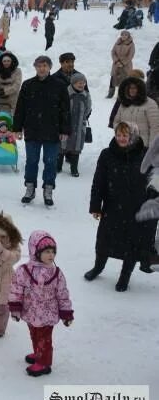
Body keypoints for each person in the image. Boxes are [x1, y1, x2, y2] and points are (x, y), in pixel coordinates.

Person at [87, 120, 150, 291]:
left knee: (131, 244)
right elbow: (98, 181)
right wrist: (95, 205)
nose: (121, 138)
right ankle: (98, 267)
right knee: (104, 241)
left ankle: (124, 277)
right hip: (112, 206)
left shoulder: (145, 155)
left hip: (136, 208)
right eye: (118, 134)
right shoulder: (107, 154)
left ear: (133, 136)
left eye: (125, 135)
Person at [9, 230, 74, 377]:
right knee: (34, 335)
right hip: (30, 311)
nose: (51, 255)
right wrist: (15, 308)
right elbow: (16, 289)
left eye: (53, 252)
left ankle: (44, 362)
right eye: (46, 252)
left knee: (44, 338)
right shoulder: (24, 271)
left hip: (48, 314)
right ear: (35, 252)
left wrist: (66, 313)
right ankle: (38, 353)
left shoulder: (56, 273)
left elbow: (62, 294)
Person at [14, 56, 71, 207]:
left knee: (50, 162)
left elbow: (65, 110)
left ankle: (48, 189)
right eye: (39, 65)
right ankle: (30, 188)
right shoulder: (28, 85)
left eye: (45, 65)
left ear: (50, 67)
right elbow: (20, 109)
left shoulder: (59, 85)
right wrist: (17, 128)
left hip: (52, 131)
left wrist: (65, 129)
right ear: (35, 67)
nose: (42, 68)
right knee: (31, 161)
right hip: (32, 130)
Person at [58, 73, 91, 177]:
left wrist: (82, 119)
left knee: (76, 147)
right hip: (65, 125)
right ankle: (58, 166)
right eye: (79, 83)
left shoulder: (86, 95)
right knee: (62, 146)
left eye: (83, 83)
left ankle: (74, 168)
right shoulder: (66, 93)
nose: (81, 85)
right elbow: (61, 108)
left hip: (79, 126)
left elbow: (88, 109)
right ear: (73, 83)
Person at [111, 76, 159, 147]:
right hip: (125, 145)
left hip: (143, 146)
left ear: (140, 89)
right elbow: (116, 122)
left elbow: (155, 127)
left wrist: (151, 148)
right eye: (130, 88)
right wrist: (122, 133)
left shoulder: (150, 104)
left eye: (134, 88)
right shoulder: (124, 104)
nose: (132, 90)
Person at [108, 30, 135, 99]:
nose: (124, 36)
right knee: (113, 79)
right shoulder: (117, 42)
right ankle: (110, 93)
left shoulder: (131, 44)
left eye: (126, 35)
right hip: (116, 64)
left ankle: (121, 95)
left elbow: (130, 55)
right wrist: (116, 61)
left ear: (128, 36)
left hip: (126, 65)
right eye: (123, 35)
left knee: (123, 81)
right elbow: (113, 52)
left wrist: (123, 63)